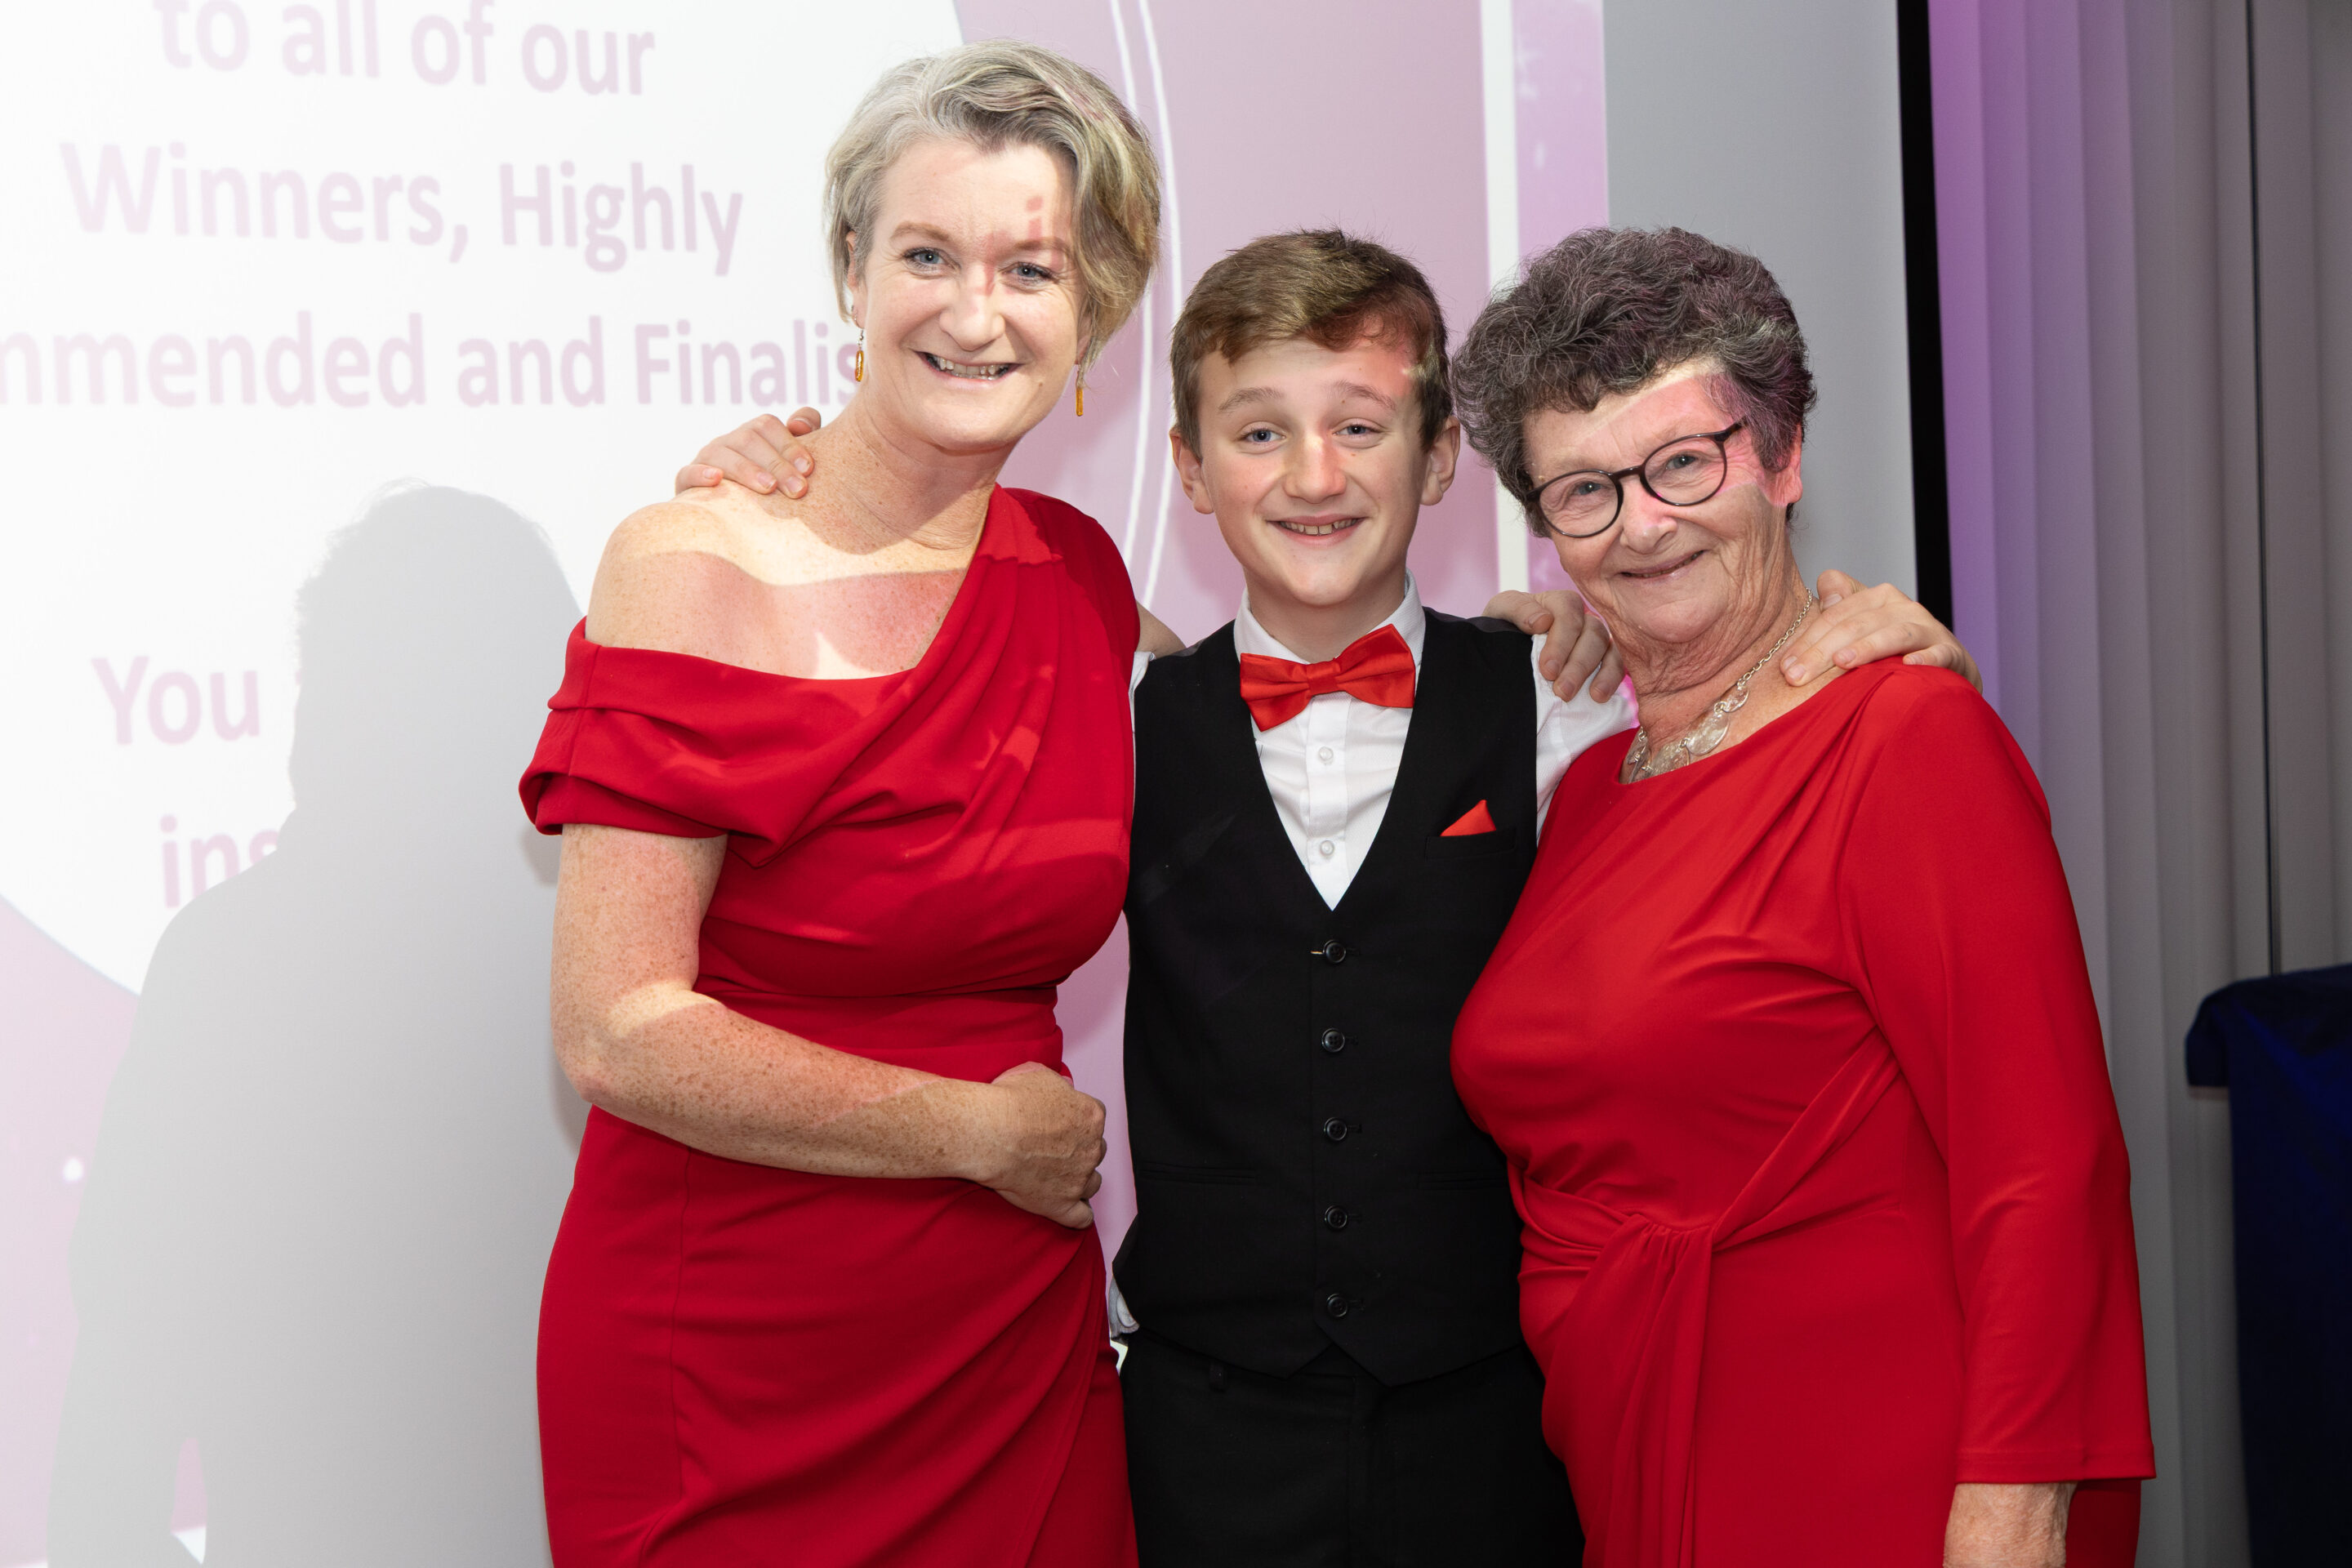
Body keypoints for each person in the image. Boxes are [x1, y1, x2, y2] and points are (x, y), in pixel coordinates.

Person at [676, 229, 1977, 1566]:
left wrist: (1894, 653)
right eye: (1258, 434)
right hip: (1204, 1438)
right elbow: (884, 695)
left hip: (1502, 1432)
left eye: (1361, 427)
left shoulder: (1570, 708)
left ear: (1440, 458)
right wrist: (792, 490)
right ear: (1189, 469)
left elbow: (1772, 784)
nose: (1314, 476)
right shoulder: (1112, 719)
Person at [518, 43, 1173, 1568]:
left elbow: (1299, 720)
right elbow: (614, 1028)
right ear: (850, 272)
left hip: (1008, 1345)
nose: (973, 312)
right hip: (732, 1357)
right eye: (927, 255)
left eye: (1030, 269)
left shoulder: (1079, 574)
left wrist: (1542, 639)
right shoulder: (695, 559)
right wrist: (974, 1133)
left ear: (1095, 312)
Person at [1446, 226, 2155, 1568]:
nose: (1641, 523)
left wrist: (2013, 1509)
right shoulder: (1587, 791)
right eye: (1584, 490)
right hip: (1642, 1460)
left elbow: (2043, 1165)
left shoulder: (1906, 740)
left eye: (1683, 463)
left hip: (1880, 1473)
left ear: (1781, 459)